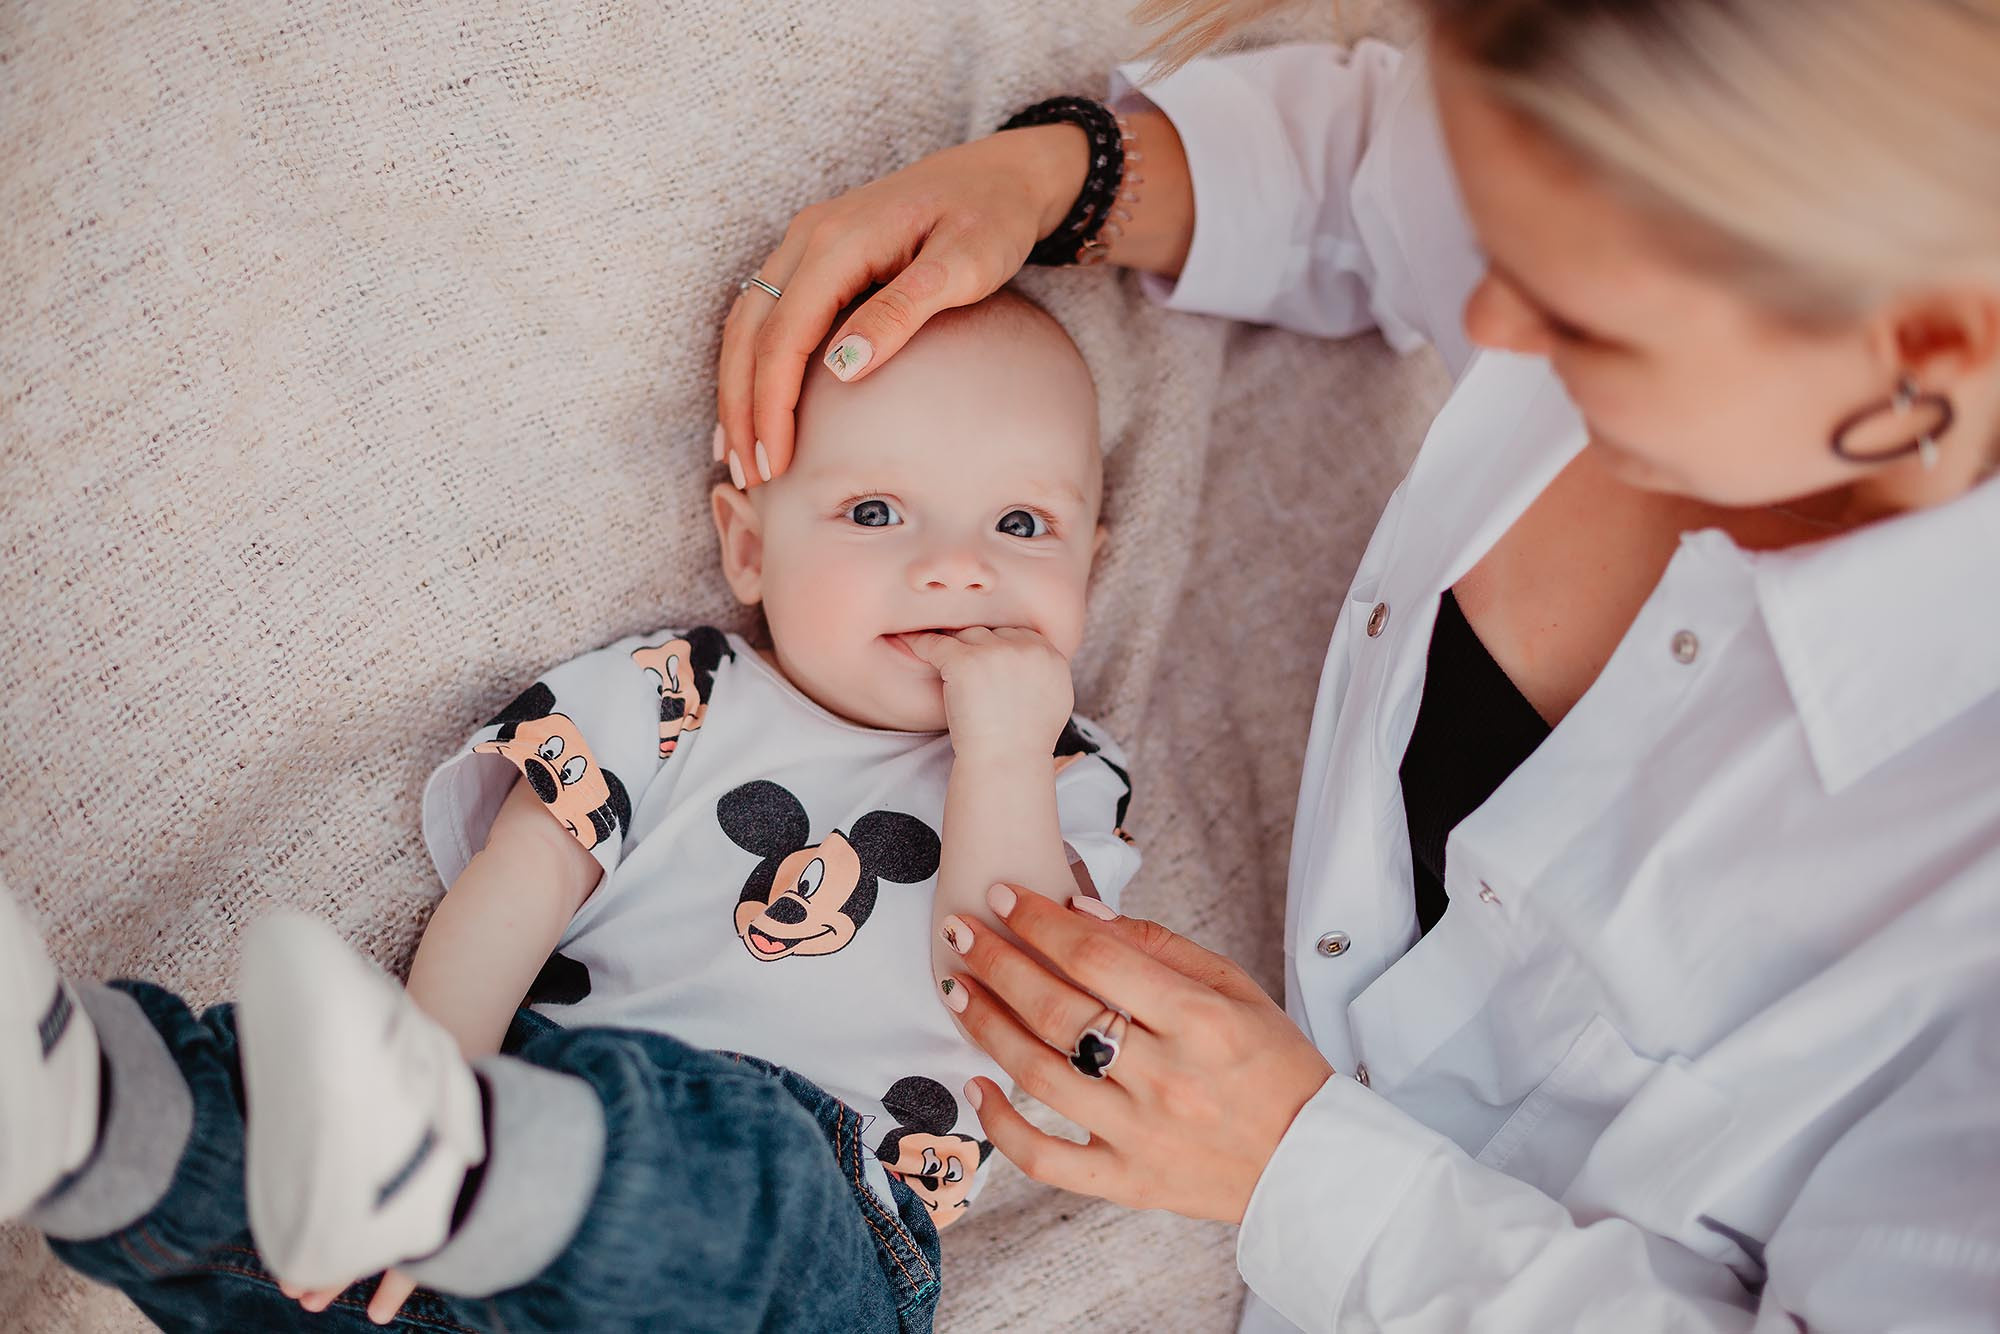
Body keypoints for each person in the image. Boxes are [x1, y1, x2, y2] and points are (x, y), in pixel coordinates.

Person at [716, 1, 2000, 1329]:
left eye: (1590, 326)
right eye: (1502, 241)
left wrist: (1297, 1168)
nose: (1493, 318)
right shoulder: (1698, 239)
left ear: (1929, 357)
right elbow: (1380, 168)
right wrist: (1051, 179)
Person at [1, 286, 1140, 1332]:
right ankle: (84, 1111)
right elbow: (520, 880)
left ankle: (377, 1161)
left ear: (1091, 561)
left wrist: (999, 744)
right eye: (877, 509)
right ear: (749, 543)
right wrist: (429, 1083)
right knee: (274, 1182)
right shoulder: (674, 698)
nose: (954, 568)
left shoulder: (1061, 778)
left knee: (756, 1180)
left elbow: (1017, 997)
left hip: (814, 1231)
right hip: (509, 1139)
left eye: (1021, 527)